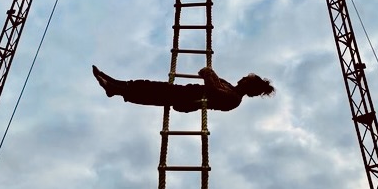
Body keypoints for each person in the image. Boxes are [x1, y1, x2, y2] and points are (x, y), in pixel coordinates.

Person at [92, 65, 275, 113]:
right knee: (148, 85)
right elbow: (211, 76)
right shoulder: (229, 86)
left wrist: (209, 74)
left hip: (185, 99)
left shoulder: (234, 99)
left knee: (150, 94)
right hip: (185, 91)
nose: (242, 77)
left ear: (248, 86)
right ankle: (114, 84)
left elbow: (212, 88)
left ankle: (115, 89)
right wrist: (209, 74)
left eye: (246, 79)